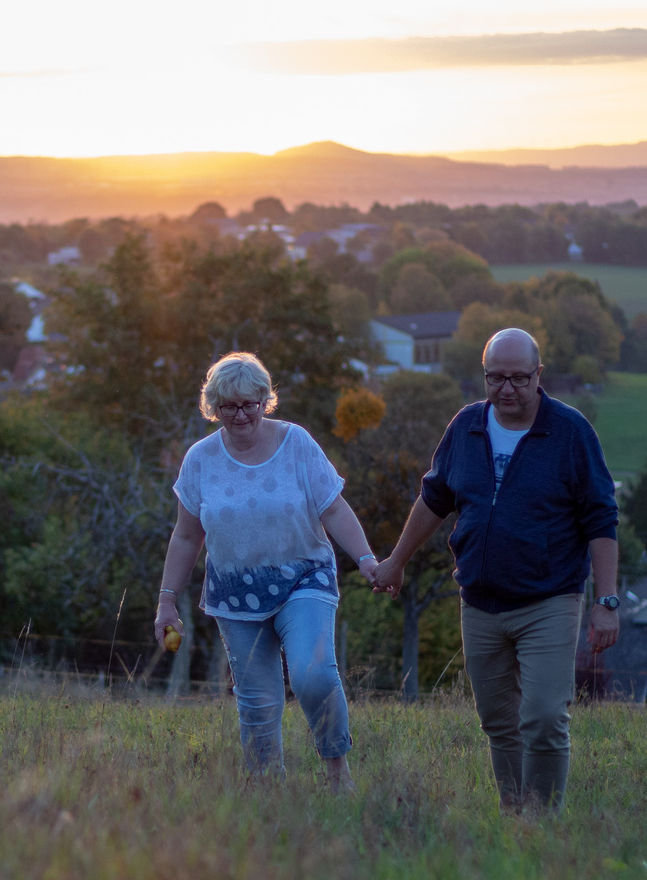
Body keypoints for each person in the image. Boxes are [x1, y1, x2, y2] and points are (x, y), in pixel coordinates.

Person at [371, 329, 619, 813]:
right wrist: (395, 560)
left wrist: (606, 602)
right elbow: (434, 499)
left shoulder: (570, 432)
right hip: (480, 601)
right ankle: (514, 814)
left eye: (518, 378)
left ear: (538, 375)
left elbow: (602, 517)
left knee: (544, 716)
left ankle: (542, 821)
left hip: (549, 599)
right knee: (498, 720)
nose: (506, 389)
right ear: (484, 376)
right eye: (495, 378)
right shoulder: (466, 426)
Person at [155, 352, 380, 789]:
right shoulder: (200, 459)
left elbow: (332, 508)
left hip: (304, 578)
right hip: (235, 593)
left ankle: (337, 770)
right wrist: (166, 601)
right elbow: (186, 536)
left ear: (265, 400)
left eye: (249, 404)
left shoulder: (297, 443)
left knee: (312, 673)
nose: (240, 415)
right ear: (214, 407)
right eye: (228, 407)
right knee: (257, 703)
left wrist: (366, 559)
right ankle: (268, 795)